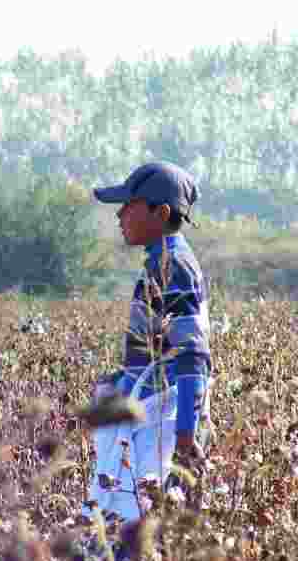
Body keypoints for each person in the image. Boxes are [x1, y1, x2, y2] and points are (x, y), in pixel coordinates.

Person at [90, 160, 213, 514]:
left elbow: (192, 356)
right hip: (149, 415)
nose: (120, 216)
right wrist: (120, 381)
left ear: (160, 213)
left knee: (129, 528)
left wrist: (186, 437)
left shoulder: (174, 267)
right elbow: (161, 350)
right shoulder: (162, 261)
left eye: (128, 207)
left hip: (161, 425)